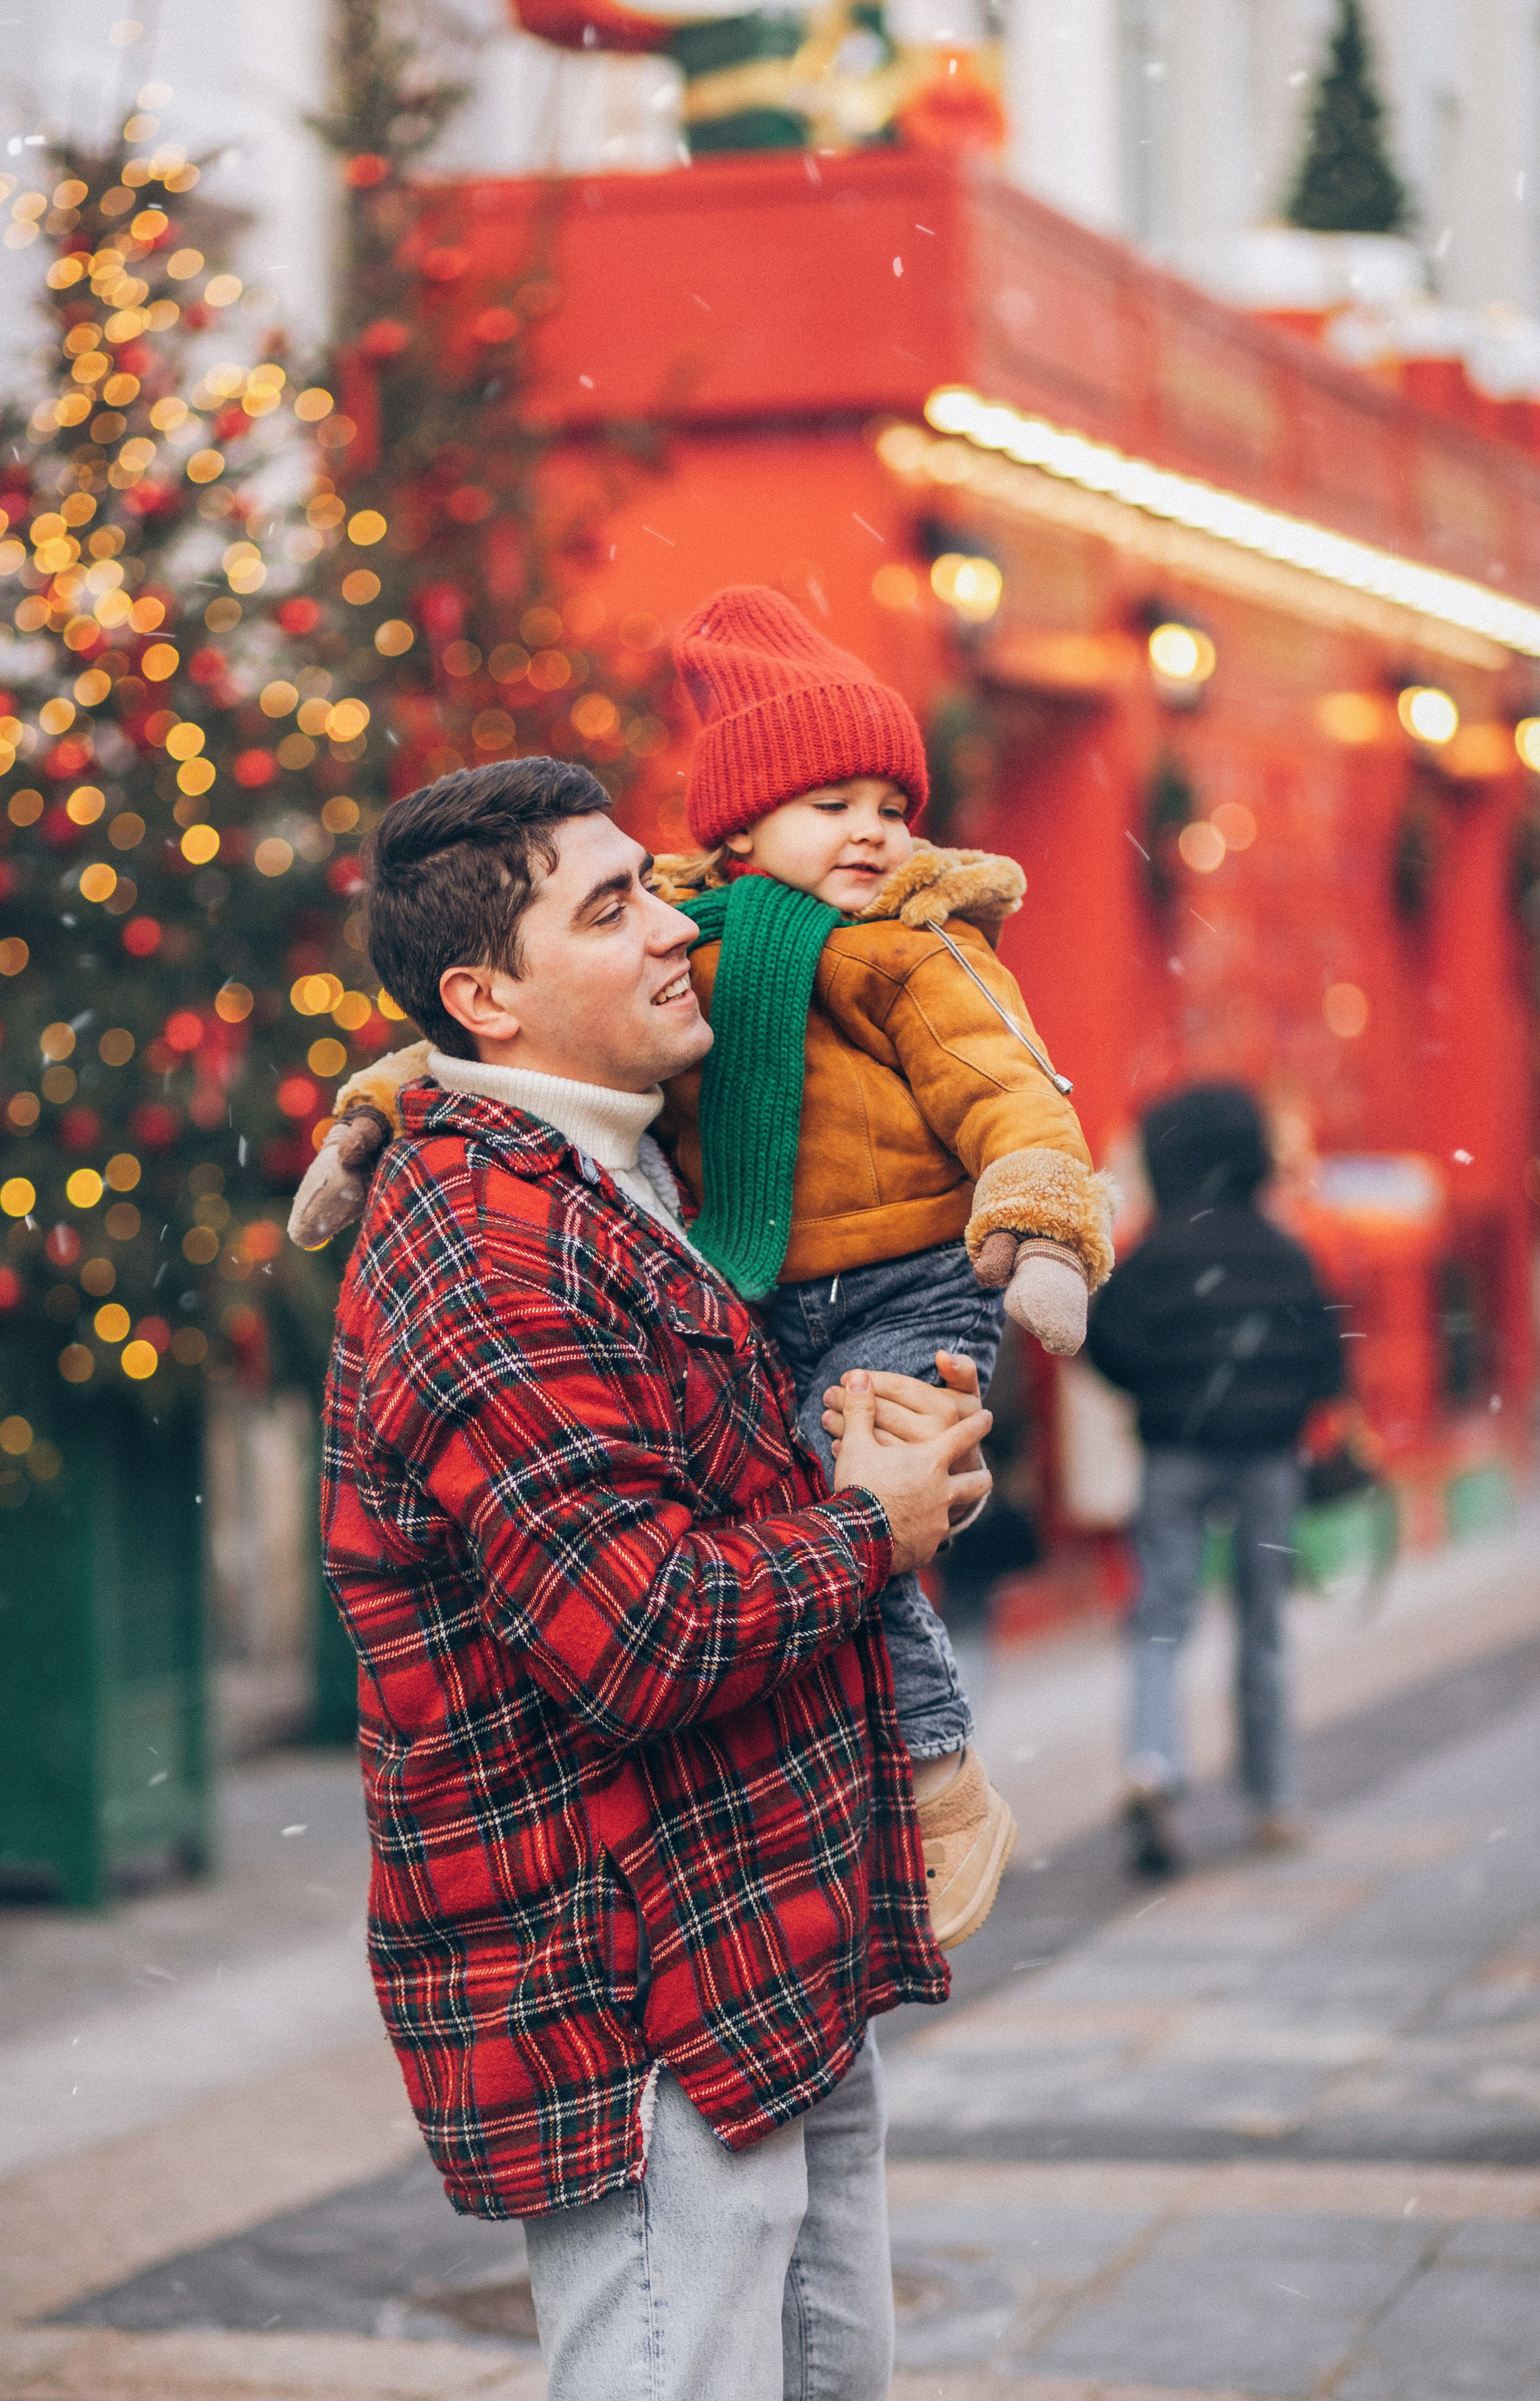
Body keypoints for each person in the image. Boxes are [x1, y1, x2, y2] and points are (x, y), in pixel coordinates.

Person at [296, 588, 1115, 1947]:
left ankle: (919, 1767)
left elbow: (1007, 1094)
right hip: (604, 1937)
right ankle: (926, 1764)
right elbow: (645, 1627)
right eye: (828, 804)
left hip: (904, 1284)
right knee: (833, 1475)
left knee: (844, 1459)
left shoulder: (891, 961)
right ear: (735, 831)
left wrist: (1037, 1238)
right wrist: (362, 1124)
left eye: (887, 808)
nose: (868, 832)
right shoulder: (503, 1232)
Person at [321, 754, 991, 2399]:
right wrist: (868, 1529)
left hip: (754, 1933)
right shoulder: (483, 1244)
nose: (678, 927)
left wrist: (892, 1462)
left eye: (655, 883)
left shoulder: (630, 1168)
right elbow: (636, 1634)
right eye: (611, 908)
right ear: (486, 997)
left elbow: (713, 1497)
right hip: (622, 1975)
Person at [1085, 1081, 1344, 1878]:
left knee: (1161, 1615)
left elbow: (1103, 1343)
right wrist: (1280, 1403)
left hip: (1175, 1455)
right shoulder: (1283, 1248)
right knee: (1263, 1626)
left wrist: (1163, 1396)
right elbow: (1329, 1359)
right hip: (1268, 1456)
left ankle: (1153, 1762)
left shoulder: (1153, 1256)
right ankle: (1273, 1798)